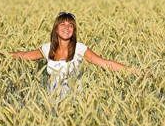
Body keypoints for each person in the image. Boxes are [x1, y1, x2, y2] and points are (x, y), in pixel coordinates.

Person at [9, 11, 147, 97]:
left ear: (73, 30)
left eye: (70, 25)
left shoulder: (79, 49)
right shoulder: (47, 48)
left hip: (76, 102)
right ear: (56, 29)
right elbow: (24, 56)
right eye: (62, 24)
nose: (67, 28)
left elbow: (105, 63)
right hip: (52, 102)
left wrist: (135, 71)